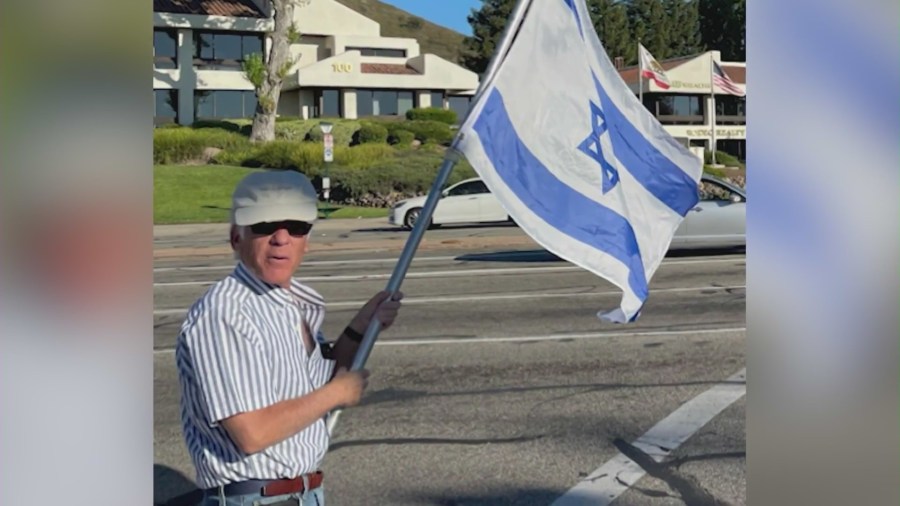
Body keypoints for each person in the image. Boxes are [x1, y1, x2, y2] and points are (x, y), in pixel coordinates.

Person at [174, 170, 403, 506]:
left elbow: (316, 383)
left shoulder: (293, 303)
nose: (282, 238)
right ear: (236, 237)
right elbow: (252, 433)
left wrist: (360, 327)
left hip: (301, 494)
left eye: (296, 227)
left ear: (307, 239)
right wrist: (335, 394)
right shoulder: (225, 313)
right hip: (255, 498)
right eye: (265, 226)